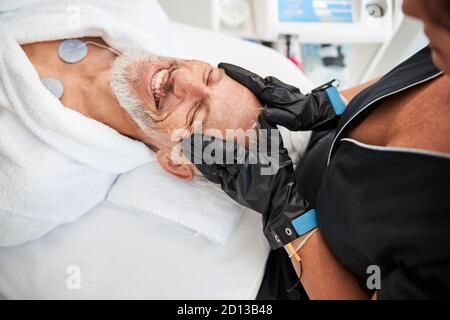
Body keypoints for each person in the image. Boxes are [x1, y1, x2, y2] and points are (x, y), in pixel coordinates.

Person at [182, 0, 450, 299]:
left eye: (195, 114)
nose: (408, 8)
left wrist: (287, 215)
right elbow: (412, 77)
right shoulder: (443, 48)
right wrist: (326, 105)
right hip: (314, 159)